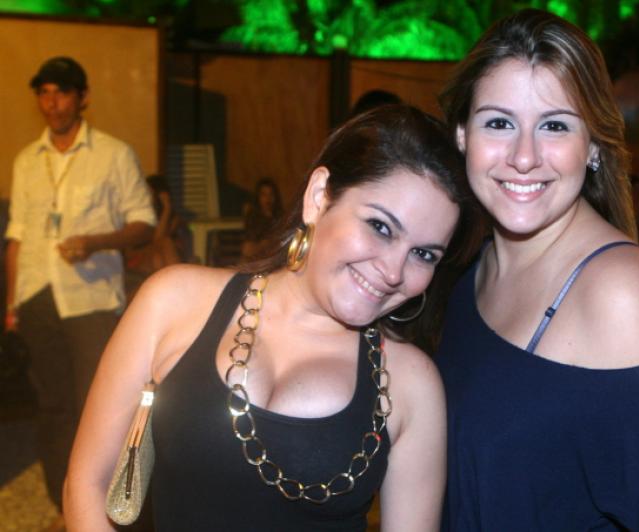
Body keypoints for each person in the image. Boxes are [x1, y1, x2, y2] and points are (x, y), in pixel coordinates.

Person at [64, 104, 476, 531]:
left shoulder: (411, 383)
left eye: (423, 254)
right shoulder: (174, 302)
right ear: (319, 197)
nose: (393, 272)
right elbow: (87, 484)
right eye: (381, 227)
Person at [436, 9, 639, 530]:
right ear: (462, 134)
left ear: (594, 147)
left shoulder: (619, 291)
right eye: (499, 122)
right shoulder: (466, 263)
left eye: (555, 125)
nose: (523, 157)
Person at [4, 56, 155, 515]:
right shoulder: (27, 160)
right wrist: (11, 303)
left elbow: (144, 223)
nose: (52, 103)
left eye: (62, 92)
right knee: (52, 407)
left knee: (101, 406)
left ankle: (105, 505)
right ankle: (63, 503)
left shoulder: (113, 154)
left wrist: (95, 242)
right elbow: (17, 236)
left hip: (91, 299)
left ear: (83, 97)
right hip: (37, 296)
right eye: (45, 93)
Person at [240, 178, 283, 261]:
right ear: (258, 197)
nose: (268, 198)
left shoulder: (281, 217)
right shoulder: (253, 218)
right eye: (264, 195)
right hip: (257, 259)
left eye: (271, 194)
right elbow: (247, 249)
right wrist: (263, 244)